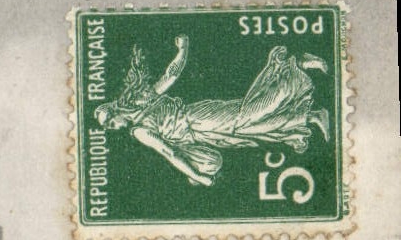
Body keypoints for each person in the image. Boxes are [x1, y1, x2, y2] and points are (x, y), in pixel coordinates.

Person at [95, 36, 330, 187]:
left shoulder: (140, 126)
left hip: (197, 118)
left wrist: (183, 49)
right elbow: (171, 77)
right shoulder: (140, 110)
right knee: (252, 130)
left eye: (109, 122)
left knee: (248, 117)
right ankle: (311, 116)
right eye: (108, 127)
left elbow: (170, 152)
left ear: (116, 111)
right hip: (201, 134)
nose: (112, 127)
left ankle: (295, 65)